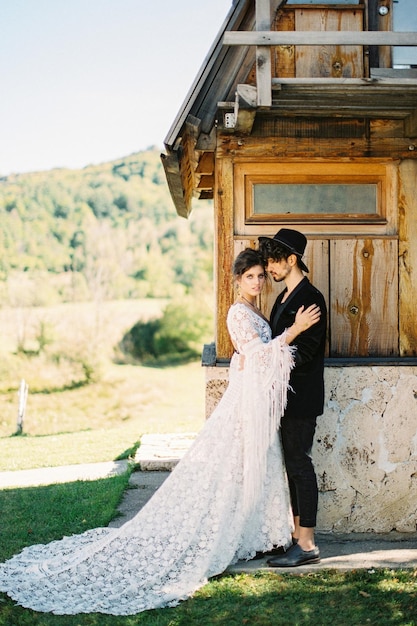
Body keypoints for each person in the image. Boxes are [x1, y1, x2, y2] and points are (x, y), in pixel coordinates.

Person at [0, 248, 320, 616]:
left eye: (261, 276)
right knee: (231, 466)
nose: (258, 281)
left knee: (257, 465)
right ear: (237, 281)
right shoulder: (237, 312)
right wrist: (293, 331)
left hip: (258, 403)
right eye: (251, 277)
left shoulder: (257, 310)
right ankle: (223, 531)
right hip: (243, 405)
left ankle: (260, 534)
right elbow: (257, 353)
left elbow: (257, 356)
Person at [258, 229, 327, 568]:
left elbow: (305, 353)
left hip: (301, 397)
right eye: (268, 261)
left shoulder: (310, 299)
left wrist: (272, 356)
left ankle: (308, 543)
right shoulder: (284, 297)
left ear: (292, 260)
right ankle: (298, 539)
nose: (269, 267)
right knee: (292, 466)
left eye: (274, 261)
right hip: (283, 398)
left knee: (300, 464)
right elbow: (282, 344)